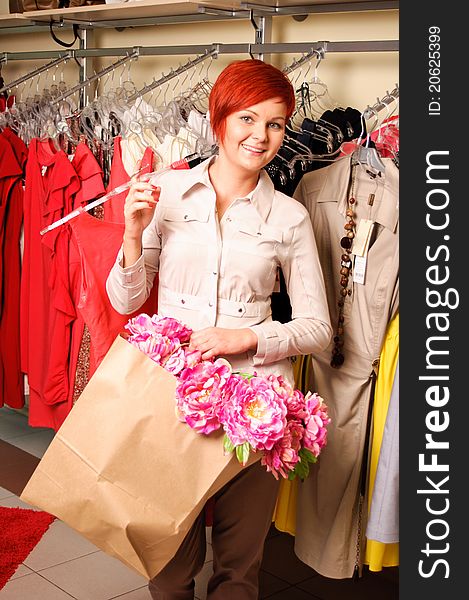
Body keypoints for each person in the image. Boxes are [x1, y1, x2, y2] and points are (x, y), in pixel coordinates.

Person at [106, 58, 332, 600]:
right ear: (219, 118)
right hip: (171, 395)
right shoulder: (166, 193)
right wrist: (132, 237)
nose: (261, 136)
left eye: (275, 124)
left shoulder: (289, 218)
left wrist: (250, 337)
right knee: (166, 558)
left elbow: (320, 329)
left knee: (238, 566)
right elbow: (126, 300)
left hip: (257, 405)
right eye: (248, 119)